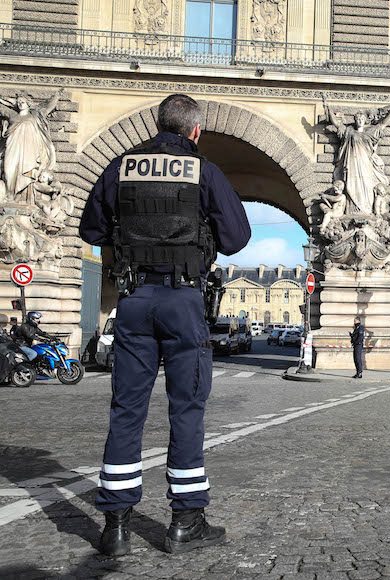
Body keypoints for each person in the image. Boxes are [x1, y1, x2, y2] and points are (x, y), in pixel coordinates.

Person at [78, 94, 251, 556]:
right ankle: (185, 521)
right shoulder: (204, 171)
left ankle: (115, 527)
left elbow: (91, 230)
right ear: (195, 131)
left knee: (127, 409)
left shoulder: (121, 166)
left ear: (157, 125)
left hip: (134, 300)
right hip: (183, 300)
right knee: (186, 409)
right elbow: (237, 238)